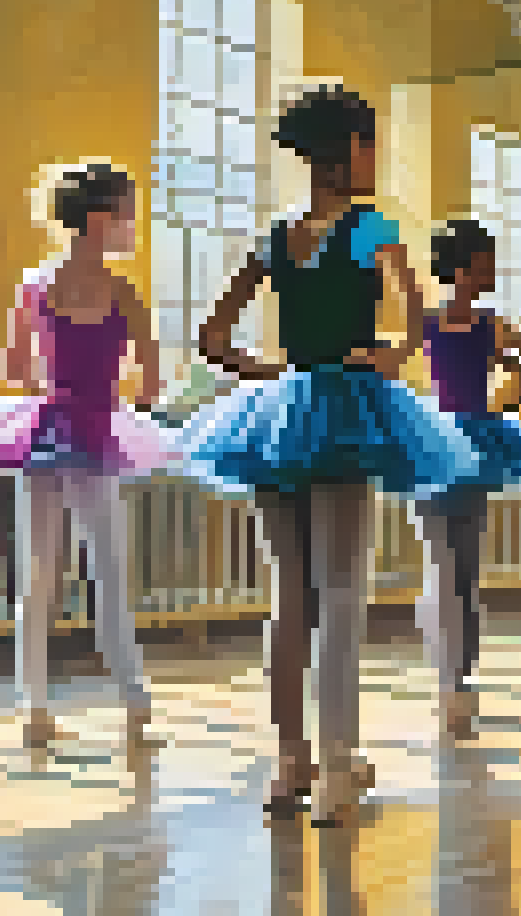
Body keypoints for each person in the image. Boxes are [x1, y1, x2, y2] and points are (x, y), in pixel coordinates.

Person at [179, 85, 476, 824]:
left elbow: (212, 339)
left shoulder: (280, 235)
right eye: (370, 143)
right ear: (342, 152)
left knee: (292, 598)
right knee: (342, 593)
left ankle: (290, 764)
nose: (377, 156)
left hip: (280, 414)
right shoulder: (372, 224)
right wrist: (390, 355)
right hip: (344, 406)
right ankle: (338, 768)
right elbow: (417, 317)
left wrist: (275, 376)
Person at [0, 161, 174, 751]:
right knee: (108, 569)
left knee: (40, 572)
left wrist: (51, 388)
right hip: (99, 431)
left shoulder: (34, 288)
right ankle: (134, 702)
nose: (134, 226)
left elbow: (13, 372)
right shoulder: (124, 293)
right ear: (103, 219)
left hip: (47, 430)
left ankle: (33, 705)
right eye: (128, 214)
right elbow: (152, 383)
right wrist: (117, 390)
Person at [415, 218, 521, 741]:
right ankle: (450, 680)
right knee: (448, 566)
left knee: (459, 568)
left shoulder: (475, 324)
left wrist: (497, 405)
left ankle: (457, 678)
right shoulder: (440, 322)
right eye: (485, 263)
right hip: (443, 444)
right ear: (462, 268)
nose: (492, 271)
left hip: (466, 444)